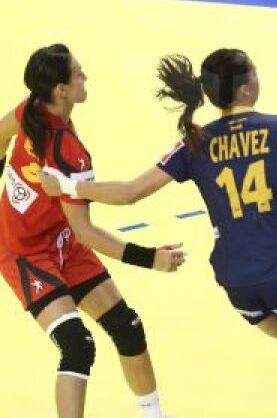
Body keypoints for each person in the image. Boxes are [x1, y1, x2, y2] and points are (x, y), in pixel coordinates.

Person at [40, 49, 277, 418]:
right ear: (246, 88)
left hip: (238, 283)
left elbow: (128, 192)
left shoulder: (194, 142)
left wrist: (68, 187)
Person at [0, 43, 184, 418]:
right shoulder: (68, 152)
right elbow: (87, 232)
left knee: (128, 328)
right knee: (77, 346)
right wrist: (151, 259)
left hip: (62, 241)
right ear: (61, 90)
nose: (85, 77)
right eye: (78, 73)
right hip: (25, 253)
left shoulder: (32, 109)